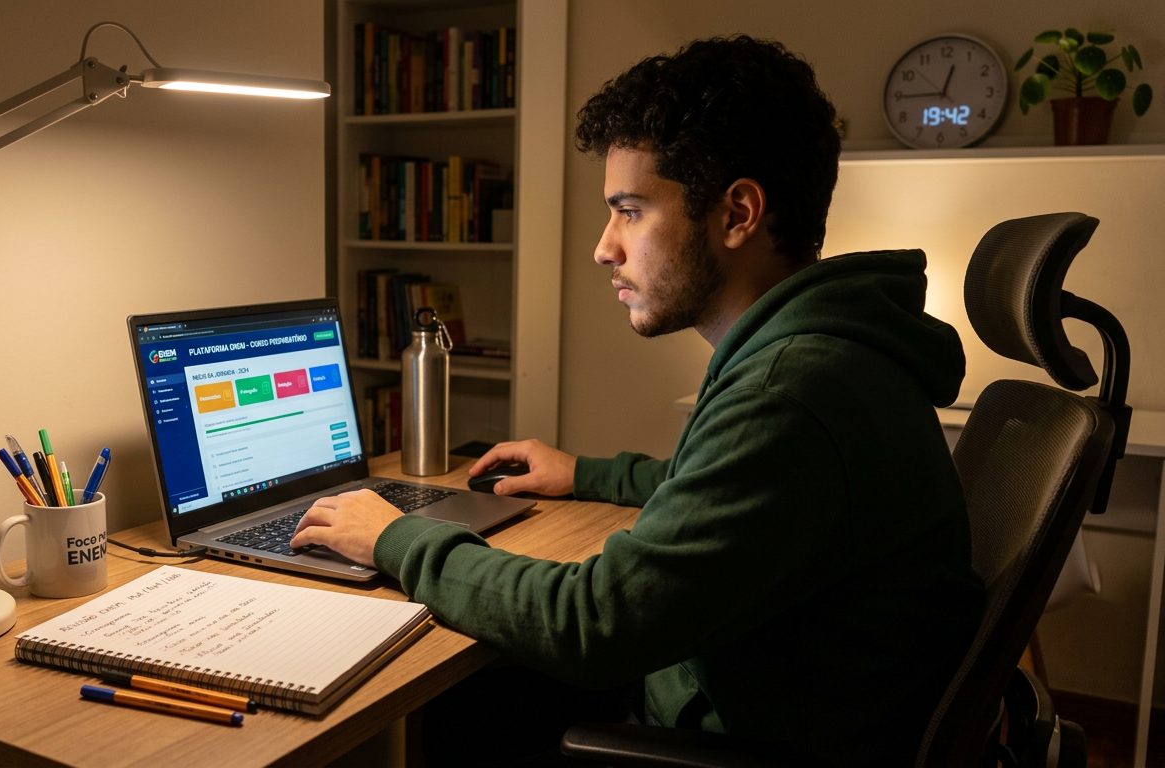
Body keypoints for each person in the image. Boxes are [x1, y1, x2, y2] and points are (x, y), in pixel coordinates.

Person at [293, 35, 984, 767]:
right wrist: (586, 473)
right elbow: (723, 492)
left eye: (629, 210)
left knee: (448, 704)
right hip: (754, 696)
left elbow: (593, 624)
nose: (604, 248)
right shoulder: (825, 356)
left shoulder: (789, 392)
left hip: (728, 740)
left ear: (738, 213)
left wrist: (394, 537)